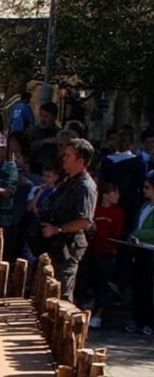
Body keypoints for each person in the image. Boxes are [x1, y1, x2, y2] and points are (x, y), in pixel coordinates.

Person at [38, 138, 97, 302]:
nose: (64, 158)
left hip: (68, 246)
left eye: (68, 156)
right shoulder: (69, 180)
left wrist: (58, 229)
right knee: (47, 289)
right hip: (54, 243)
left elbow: (85, 220)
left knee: (61, 294)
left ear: (81, 161)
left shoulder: (85, 186)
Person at [85, 181, 123, 329]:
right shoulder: (96, 209)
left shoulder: (118, 212)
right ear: (106, 194)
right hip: (92, 251)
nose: (118, 196)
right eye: (115, 193)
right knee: (91, 280)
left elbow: (116, 234)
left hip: (107, 253)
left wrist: (98, 231)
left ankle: (99, 314)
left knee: (103, 283)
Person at [127, 175, 154, 335]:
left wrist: (137, 233)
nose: (144, 190)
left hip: (151, 251)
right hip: (140, 250)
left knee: (150, 288)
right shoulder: (144, 206)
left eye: (147, 188)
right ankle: (136, 319)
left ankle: (149, 321)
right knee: (138, 286)